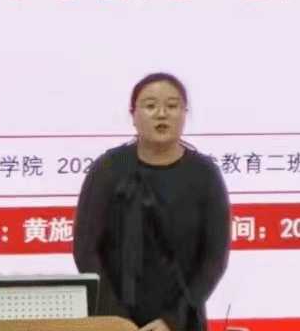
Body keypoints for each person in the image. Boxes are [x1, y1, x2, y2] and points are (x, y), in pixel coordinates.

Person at [74, 73, 231, 331]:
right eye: (150, 106)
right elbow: (86, 251)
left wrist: (173, 321)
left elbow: (214, 259)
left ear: (185, 114)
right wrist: (118, 320)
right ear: (133, 115)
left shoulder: (204, 174)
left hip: (182, 323)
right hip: (114, 322)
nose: (161, 114)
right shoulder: (108, 169)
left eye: (172, 106)